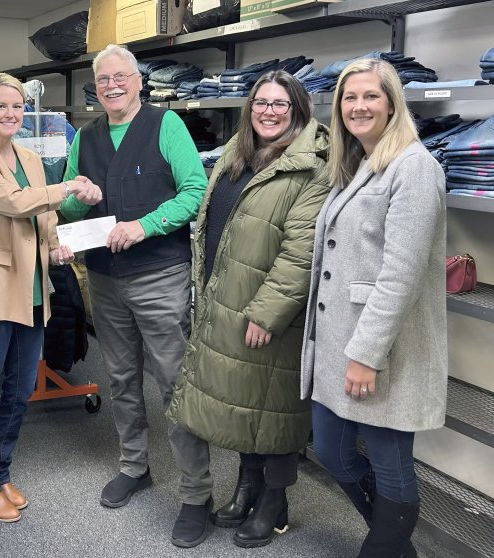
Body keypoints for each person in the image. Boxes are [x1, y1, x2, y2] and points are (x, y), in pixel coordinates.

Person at [167, 71, 331, 548]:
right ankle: (248, 484)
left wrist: (266, 313)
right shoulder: (237, 157)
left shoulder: (313, 168)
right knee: (245, 404)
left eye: (281, 104)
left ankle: (274, 501)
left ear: (298, 110)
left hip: (268, 312)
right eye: (262, 102)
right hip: (227, 299)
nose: (269, 112)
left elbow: (301, 253)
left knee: (274, 408)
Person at [59, 44, 209, 547]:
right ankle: (134, 465)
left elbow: (195, 191)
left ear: (139, 81)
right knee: (120, 377)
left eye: (121, 77)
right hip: (104, 277)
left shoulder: (166, 126)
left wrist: (144, 227)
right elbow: (71, 206)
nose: (112, 86)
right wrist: (73, 207)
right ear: (96, 87)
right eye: (103, 80)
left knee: (174, 382)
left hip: (159, 275)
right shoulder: (86, 136)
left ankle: (196, 492)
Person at [301, 58, 447, 558]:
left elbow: (401, 273)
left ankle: (384, 547)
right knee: (331, 452)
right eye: (349, 97)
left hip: (381, 346)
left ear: (392, 104)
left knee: (390, 463)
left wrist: (367, 353)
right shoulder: (358, 163)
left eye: (371, 96)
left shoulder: (415, 167)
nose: (358, 106)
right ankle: (396, 544)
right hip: (341, 339)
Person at [0, 73, 101, 523]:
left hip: (35, 286)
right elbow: (16, 203)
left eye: (17, 107)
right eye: (1, 107)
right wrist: (71, 185)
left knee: (18, 391)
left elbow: (44, 216)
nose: (11, 115)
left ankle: (0, 471)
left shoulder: (30, 158)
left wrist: (56, 242)